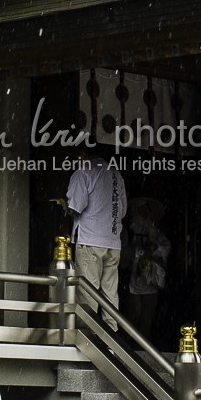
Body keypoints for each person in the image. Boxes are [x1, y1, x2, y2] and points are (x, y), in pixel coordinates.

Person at [64, 143, 127, 329]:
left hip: (90, 240)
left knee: (87, 293)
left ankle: (87, 336)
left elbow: (75, 206)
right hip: (113, 241)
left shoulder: (83, 172)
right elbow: (122, 211)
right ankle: (111, 336)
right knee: (110, 293)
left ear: (82, 154)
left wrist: (64, 206)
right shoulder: (116, 174)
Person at [122, 198, 169, 338]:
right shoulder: (127, 231)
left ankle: (143, 348)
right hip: (132, 281)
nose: (143, 215)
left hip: (151, 281)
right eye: (140, 211)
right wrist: (138, 252)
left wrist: (155, 249)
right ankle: (129, 347)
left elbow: (166, 249)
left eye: (146, 211)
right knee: (132, 318)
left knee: (146, 321)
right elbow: (121, 253)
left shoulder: (156, 232)